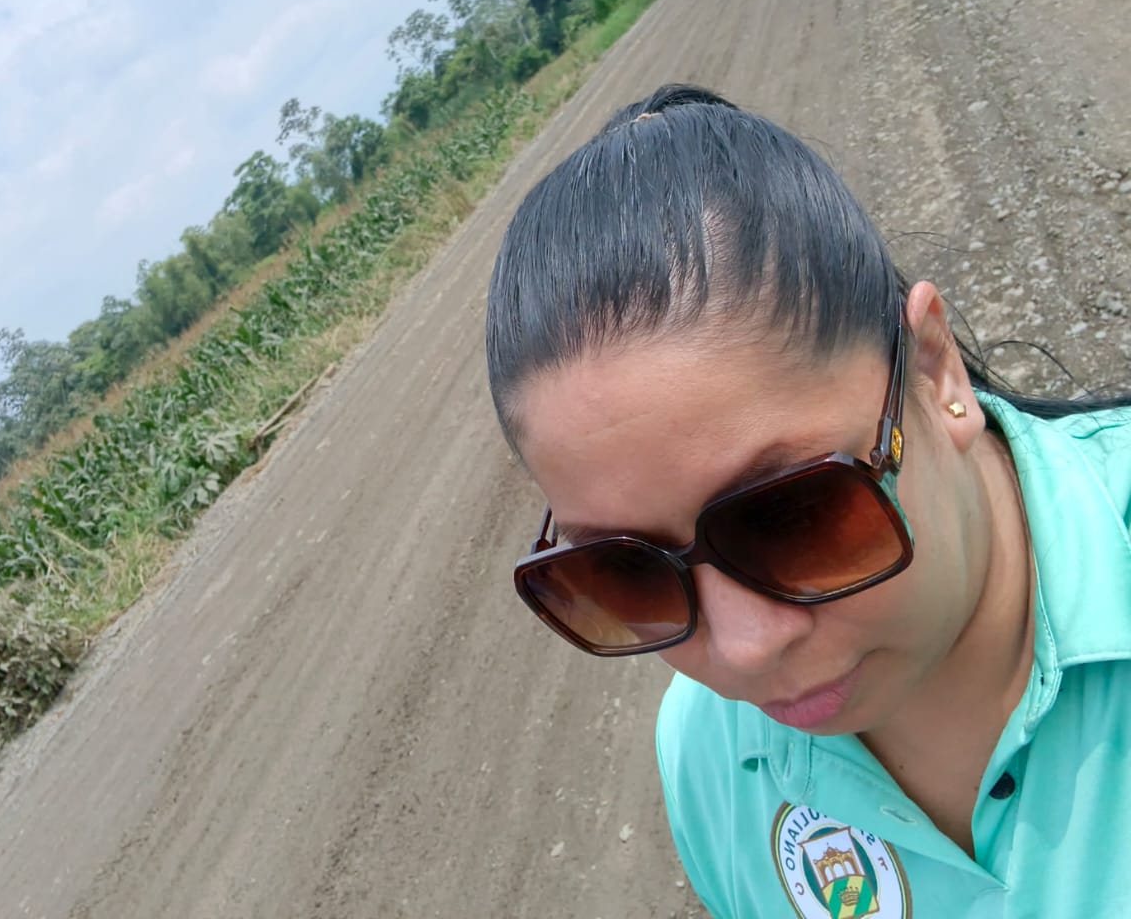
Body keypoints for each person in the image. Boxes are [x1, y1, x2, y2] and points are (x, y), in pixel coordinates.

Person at [484, 83, 1131, 918]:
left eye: (796, 516)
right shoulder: (710, 761)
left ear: (936, 373)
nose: (745, 650)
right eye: (624, 572)